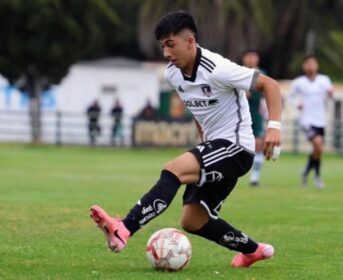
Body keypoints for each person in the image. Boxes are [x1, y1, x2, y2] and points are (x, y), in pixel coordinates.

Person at [90, 11, 282, 268]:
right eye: (162, 46)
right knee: (193, 221)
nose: (166, 53)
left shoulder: (218, 69)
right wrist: (202, 134)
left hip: (236, 148)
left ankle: (124, 228)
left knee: (173, 171)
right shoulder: (173, 74)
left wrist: (274, 128)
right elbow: (194, 104)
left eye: (171, 45)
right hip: (216, 147)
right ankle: (254, 250)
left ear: (190, 42)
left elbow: (270, 85)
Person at [289, 55, 333, 188]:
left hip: (320, 120)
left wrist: (331, 94)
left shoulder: (324, 80)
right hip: (307, 120)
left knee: (317, 150)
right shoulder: (299, 82)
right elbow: (291, 97)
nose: (311, 66)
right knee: (318, 144)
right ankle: (317, 177)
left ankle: (306, 172)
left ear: (317, 66)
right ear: (304, 66)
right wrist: (297, 104)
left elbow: (331, 95)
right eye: (308, 63)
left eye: (313, 63)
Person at [241, 49, 268, 186]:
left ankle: (255, 177)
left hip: (256, 114)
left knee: (259, 143)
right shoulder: (236, 72)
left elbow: (268, 92)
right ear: (244, 58)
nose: (251, 59)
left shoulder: (262, 74)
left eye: (254, 56)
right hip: (238, 114)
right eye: (248, 56)